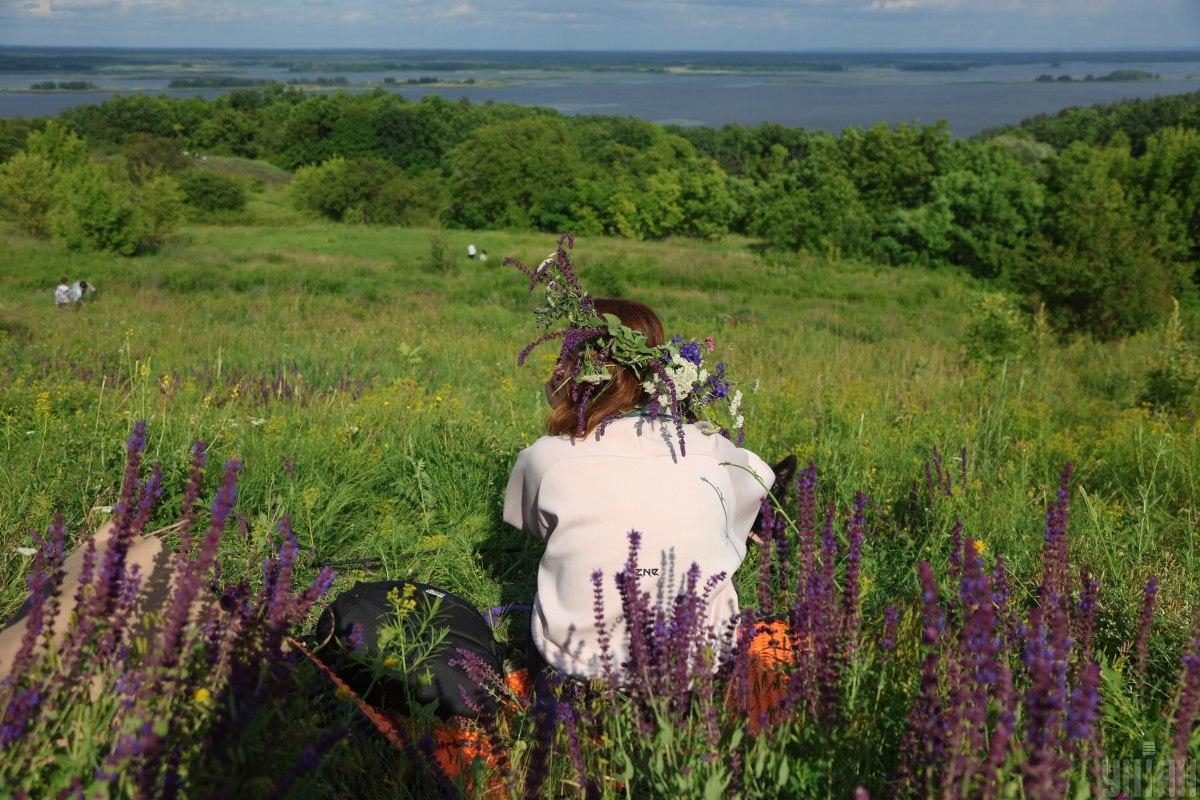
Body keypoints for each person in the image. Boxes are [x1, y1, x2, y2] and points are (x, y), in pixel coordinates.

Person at [503, 241, 772, 683]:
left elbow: (532, 525)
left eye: (561, 358)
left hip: (575, 668)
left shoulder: (545, 459)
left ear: (572, 372)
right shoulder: (709, 448)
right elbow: (760, 479)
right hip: (699, 667)